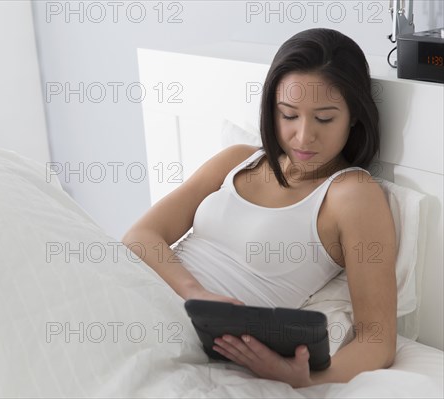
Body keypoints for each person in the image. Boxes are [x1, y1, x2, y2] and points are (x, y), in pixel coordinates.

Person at [121, 28, 397, 388]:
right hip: (142, 291)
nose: (303, 136)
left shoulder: (353, 195)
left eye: (324, 118)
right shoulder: (239, 160)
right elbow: (139, 236)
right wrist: (195, 293)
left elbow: (378, 339)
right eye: (288, 115)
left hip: (189, 338)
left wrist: (306, 379)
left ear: (355, 116)